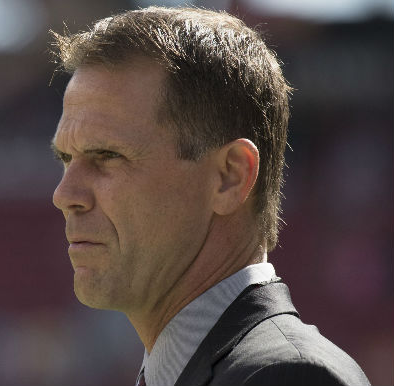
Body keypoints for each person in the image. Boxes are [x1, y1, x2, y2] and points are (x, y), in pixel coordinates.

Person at [49, 7, 370, 386]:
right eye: (67, 159)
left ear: (229, 177)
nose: (65, 195)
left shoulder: (286, 376)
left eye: (107, 156)